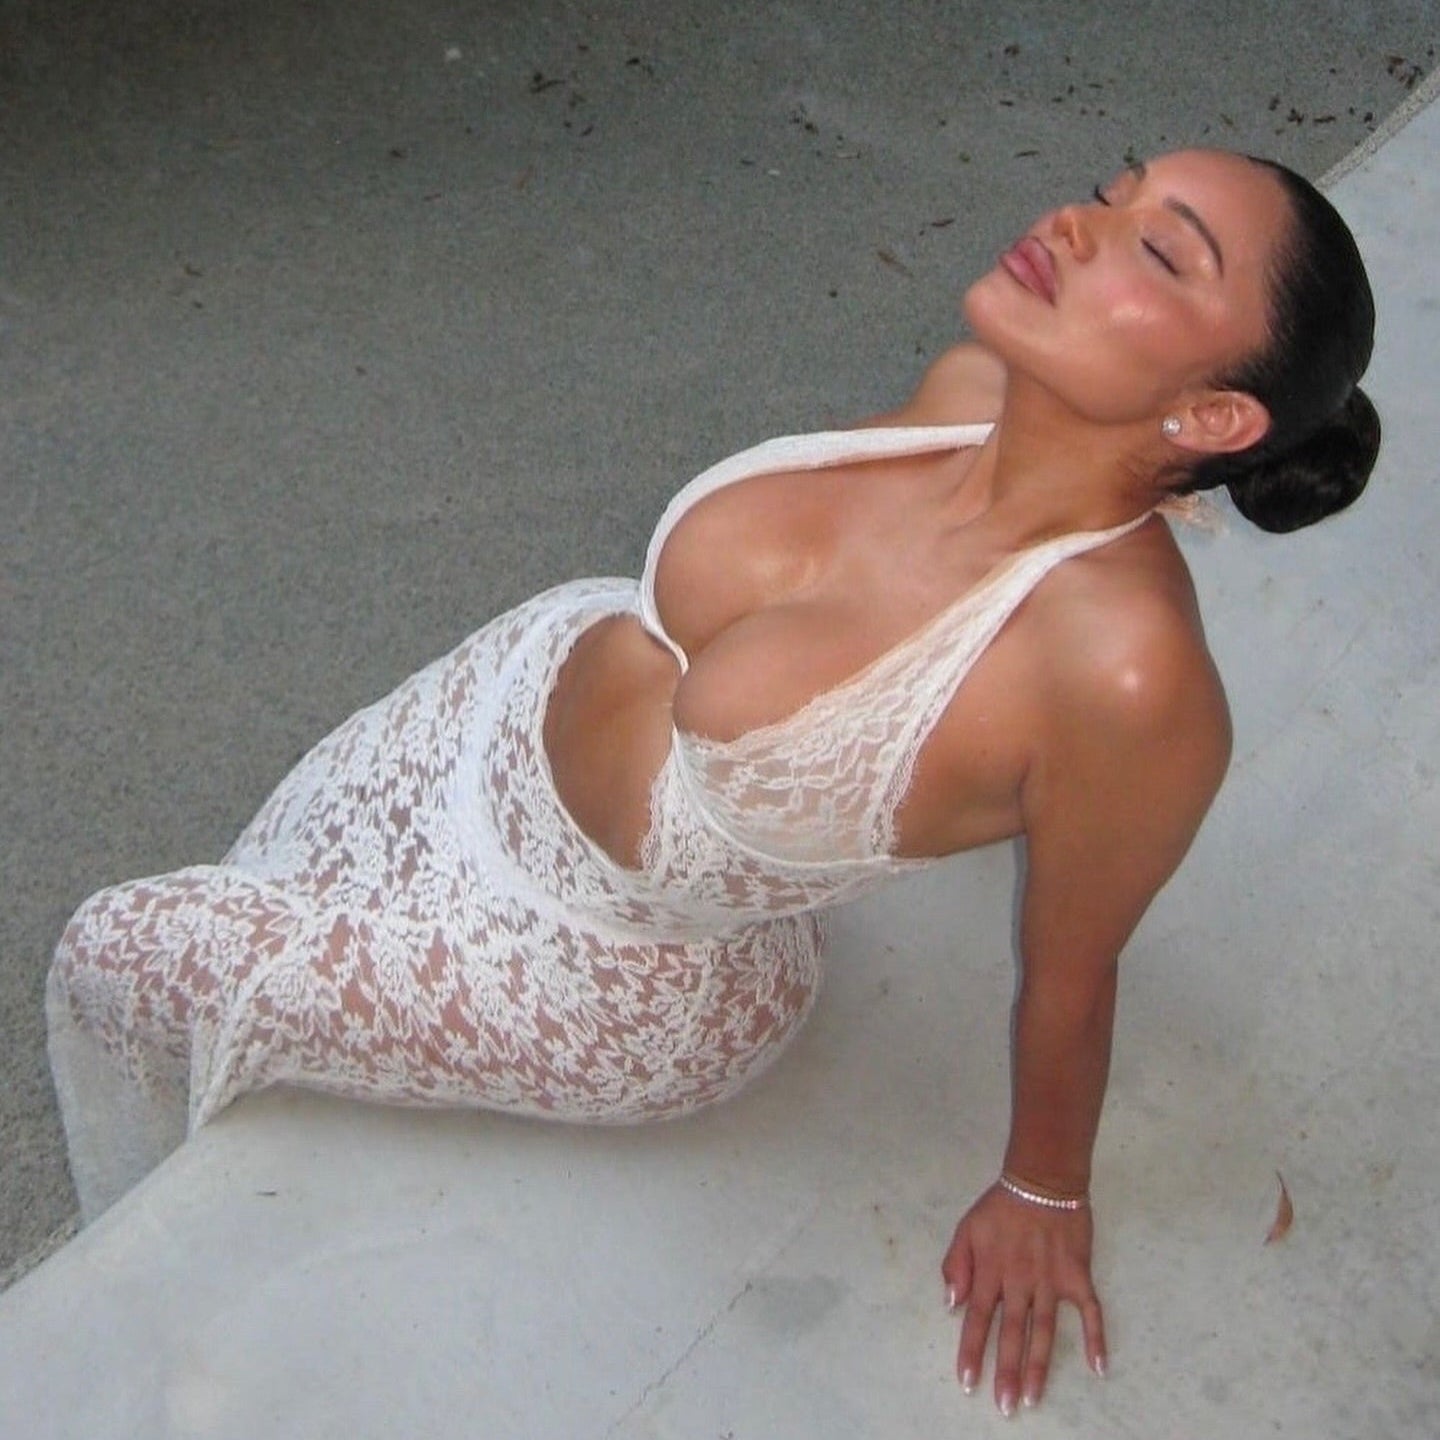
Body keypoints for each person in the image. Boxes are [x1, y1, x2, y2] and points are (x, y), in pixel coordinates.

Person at [47, 148, 1378, 1414]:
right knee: (255, 883)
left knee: (122, 953)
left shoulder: (1131, 681)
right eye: (1110, 189)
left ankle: (114, 1315)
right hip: (492, 701)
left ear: (1214, 415)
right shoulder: (969, 388)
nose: (1075, 223)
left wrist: (1043, 1190)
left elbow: (1076, 970)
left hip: (605, 968)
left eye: (1158, 249)